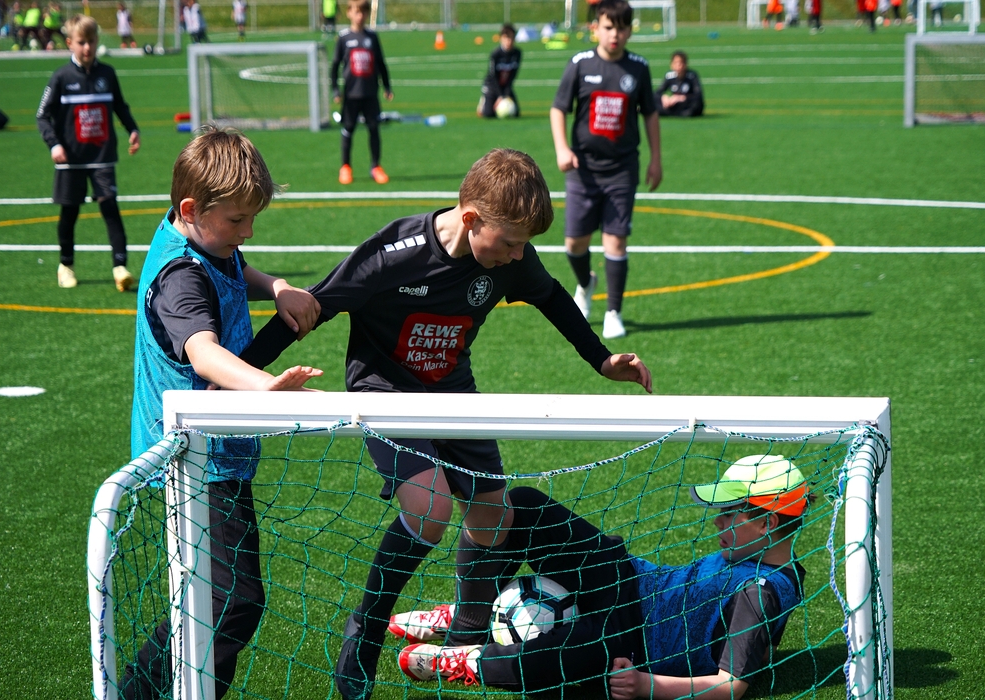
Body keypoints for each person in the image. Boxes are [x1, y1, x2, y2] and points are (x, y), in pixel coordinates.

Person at [239, 148, 653, 700]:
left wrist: (602, 360)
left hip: (454, 392)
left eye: (523, 245)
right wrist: (241, 372)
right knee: (430, 510)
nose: (518, 255)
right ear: (472, 218)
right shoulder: (394, 254)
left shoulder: (511, 258)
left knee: (494, 519)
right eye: (510, 242)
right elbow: (312, 306)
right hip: (385, 394)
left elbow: (553, 297)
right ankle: (366, 627)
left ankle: (466, 633)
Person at [121, 126, 323, 700]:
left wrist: (277, 285)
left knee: (218, 601)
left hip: (217, 448)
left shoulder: (206, 240)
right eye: (237, 220)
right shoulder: (180, 275)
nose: (247, 231)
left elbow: (233, 268)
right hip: (191, 458)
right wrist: (265, 387)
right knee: (231, 600)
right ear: (191, 210)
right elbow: (203, 353)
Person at [394, 454, 810, 700]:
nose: (717, 520)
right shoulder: (776, 565)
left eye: (729, 512)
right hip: (625, 575)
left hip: (628, 642)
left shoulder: (759, 591)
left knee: (554, 658)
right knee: (521, 505)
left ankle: (469, 661)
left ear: (767, 523)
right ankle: (473, 616)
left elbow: (730, 685)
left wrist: (644, 685)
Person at [550, 0, 662, 340]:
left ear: (630, 31)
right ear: (595, 28)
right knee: (575, 242)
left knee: (616, 241)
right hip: (582, 170)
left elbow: (650, 114)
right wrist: (562, 148)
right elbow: (558, 108)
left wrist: (656, 158)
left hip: (622, 170)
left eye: (622, 28)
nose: (615, 34)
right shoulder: (580, 64)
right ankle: (586, 284)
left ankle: (614, 312)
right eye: (609, 27)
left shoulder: (638, 68)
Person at [37, 14, 140, 291]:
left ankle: (120, 267)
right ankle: (66, 265)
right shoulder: (61, 77)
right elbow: (42, 116)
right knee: (70, 212)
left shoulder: (107, 74)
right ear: (69, 43)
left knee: (110, 208)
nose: (87, 48)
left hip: (102, 156)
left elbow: (120, 106)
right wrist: (54, 144)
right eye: (81, 42)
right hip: (70, 159)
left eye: (91, 42)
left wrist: (132, 129)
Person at [330, 0, 391, 185]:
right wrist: (335, 90)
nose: (360, 16)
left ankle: (376, 166)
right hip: (351, 95)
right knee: (348, 129)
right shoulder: (344, 38)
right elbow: (335, 66)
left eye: (363, 12)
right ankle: (345, 167)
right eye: (357, 12)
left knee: (374, 129)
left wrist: (387, 87)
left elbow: (381, 63)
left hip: (370, 93)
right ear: (349, 13)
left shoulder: (372, 37)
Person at [478, 23, 521, 119]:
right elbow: (493, 76)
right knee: (489, 114)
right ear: (501, 38)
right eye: (506, 38)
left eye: (511, 38)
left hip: (505, 86)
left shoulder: (517, 53)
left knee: (516, 113)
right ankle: (484, 101)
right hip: (492, 86)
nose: (509, 41)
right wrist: (500, 96)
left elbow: (513, 76)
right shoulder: (495, 54)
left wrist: (506, 94)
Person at [655, 51, 704, 118]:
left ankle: (672, 112)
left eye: (681, 63)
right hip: (675, 105)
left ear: (686, 64)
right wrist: (664, 97)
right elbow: (657, 92)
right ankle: (674, 112)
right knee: (653, 101)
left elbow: (698, 95)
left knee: (696, 105)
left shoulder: (692, 76)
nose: (678, 65)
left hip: (686, 104)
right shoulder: (669, 76)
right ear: (671, 65)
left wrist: (681, 98)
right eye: (676, 63)